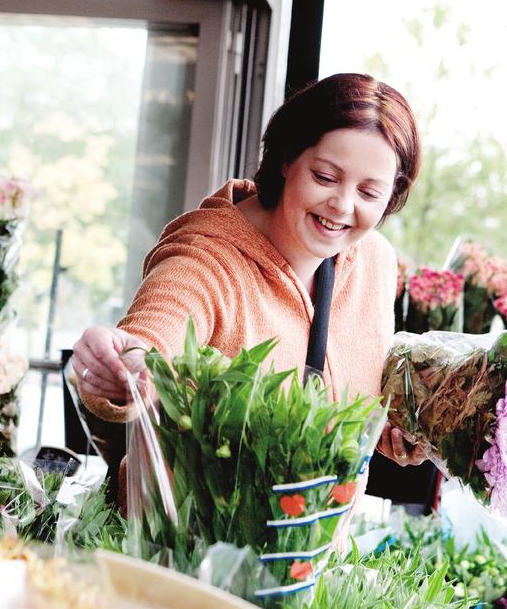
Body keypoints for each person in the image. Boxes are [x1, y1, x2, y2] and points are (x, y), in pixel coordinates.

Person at [71, 72, 428, 474]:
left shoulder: (375, 262)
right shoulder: (208, 258)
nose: (342, 206)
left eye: (369, 193)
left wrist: (399, 433)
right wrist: (124, 366)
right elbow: (155, 334)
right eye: (325, 178)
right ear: (288, 158)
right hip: (184, 535)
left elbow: (353, 397)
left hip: (317, 535)